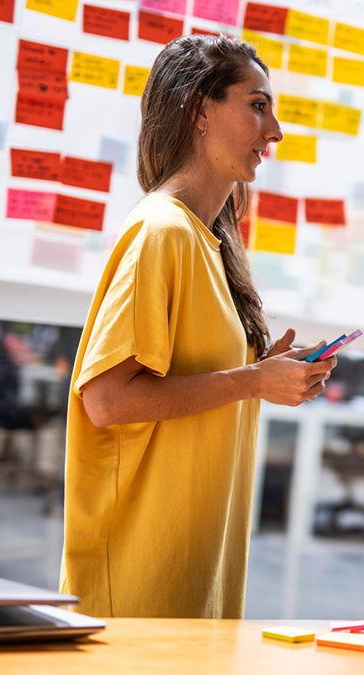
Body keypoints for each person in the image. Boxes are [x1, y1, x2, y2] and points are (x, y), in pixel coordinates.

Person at [60, 35, 337, 619]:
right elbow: (106, 400)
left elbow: (209, 380)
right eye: (257, 105)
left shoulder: (208, 241)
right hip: (138, 576)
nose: (275, 130)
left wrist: (266, 375)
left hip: (194, 564)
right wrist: (252, 382)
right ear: (199, 110)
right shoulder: (161, 233)